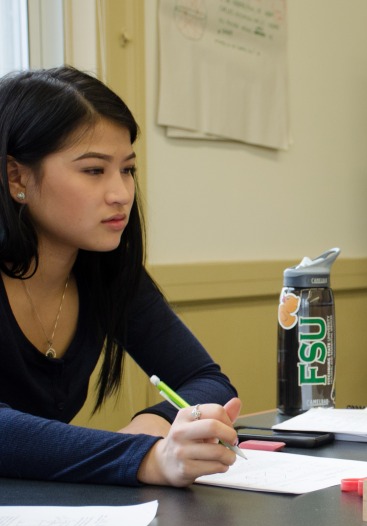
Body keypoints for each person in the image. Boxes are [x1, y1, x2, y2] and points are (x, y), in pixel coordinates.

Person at [0, 66, 241, 487]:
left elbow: (207, 381)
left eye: (127, 169)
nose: (121, 193)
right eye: (94, 170)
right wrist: (143, 458)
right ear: (16, 176)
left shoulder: (104, 270)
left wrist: (153, 425)